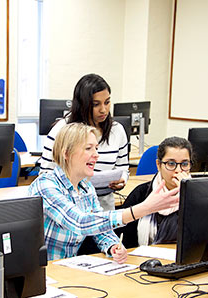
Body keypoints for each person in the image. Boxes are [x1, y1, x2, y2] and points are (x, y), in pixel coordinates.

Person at [29, 123, 180, 262]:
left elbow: (100, 232)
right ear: (66, 153)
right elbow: (80, 222)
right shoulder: (46, 185)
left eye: (96, 148)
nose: (96, 155)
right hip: (41, 271)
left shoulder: (86, 188)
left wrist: (112, 245)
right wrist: (142, 209)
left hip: (66, 268)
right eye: (88, 148)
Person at [39, 73, 129, 211]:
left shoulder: (117, 131)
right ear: (83, 104)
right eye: (96, 104)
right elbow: (45, 174)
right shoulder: (61, 130)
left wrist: (121, 181)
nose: (103, 109)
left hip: (104, 207)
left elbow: (123, 169)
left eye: (107, 102)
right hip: (68, 208)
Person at [117, 136, 193, 248]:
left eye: (184, 164)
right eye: (171, 164)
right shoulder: (141, 194)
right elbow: (123, 237)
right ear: (158, 165)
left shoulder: (199, 196)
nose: (178, 170)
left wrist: (190, 193)